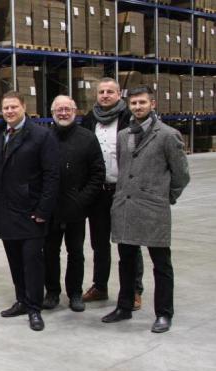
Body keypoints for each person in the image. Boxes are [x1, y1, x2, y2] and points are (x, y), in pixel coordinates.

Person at [101, 86, 190, 333]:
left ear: (152, 104)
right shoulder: (124, 135)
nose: (138, 107)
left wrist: (165, 197)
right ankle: (124, 307)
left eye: (142, 102)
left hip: (153, 209)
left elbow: (181, 174)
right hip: (126, 207)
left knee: (161, 263)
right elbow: (124, 167)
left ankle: (164, 313)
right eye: (134, 103)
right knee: (127, 261)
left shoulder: (168, 135)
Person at [0, 91, 59, 331]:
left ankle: (34, 308)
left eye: (14, 107)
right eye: (6, 108)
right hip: (5, 209)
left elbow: (51, 176)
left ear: (24, 107)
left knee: (32, 262)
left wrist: (43, 210)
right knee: (15, 260)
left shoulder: (41, 135)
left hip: (30, 211)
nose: (9, 111)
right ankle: (21, 300)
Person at [81, 77, 144, 308]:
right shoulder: (89, 120)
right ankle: (100, 286)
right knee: (99, 243)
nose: (105, 95)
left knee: (128, 242)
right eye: (101, 92)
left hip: (123, 191)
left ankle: (134, 289)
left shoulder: (130, 118)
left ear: (119, 95)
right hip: (98, 192)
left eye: (110, 91)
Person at [43, 96, 104, 312]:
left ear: (75, 111)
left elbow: (97, 173)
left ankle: (75, 293)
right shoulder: (44, 137)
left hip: (76, 209)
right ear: (52, 113)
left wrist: (82, 200)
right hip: (50, 209)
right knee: (49, 252)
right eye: (58, 110)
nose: (63, 113)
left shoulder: (87, 138)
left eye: (67, 109)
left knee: (76, 253)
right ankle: (52, 292)